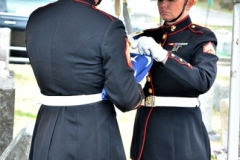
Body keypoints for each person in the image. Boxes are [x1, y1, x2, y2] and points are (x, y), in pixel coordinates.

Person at [25, 0, 146, 159]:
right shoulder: (108, 25)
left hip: (46, 126)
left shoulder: (37, 17)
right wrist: (138, 86)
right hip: (91, 129)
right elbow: (126, 98)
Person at [130, 0, 219, 159]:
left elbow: (204, 79)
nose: (163, 4)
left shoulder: (200, 37)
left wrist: (164, 55)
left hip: (180, 130)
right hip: (147, 127)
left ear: (189, 3)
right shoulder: (147, 36)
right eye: (160, 0)